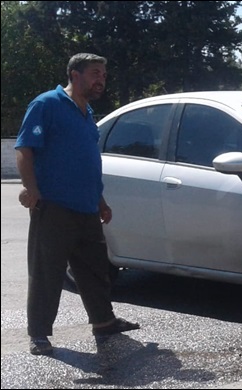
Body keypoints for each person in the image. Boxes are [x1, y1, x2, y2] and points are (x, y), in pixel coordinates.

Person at [15, 53, 140, 356]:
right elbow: (25, 149)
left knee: (95, 270)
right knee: (48, 273)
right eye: (95, 73)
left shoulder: (87, 113)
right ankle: (39, 334)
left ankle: (103, 322)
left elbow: (86, 162)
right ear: (75, 75)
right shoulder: (47, 104)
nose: (101, 80)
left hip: (86, 207)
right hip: (54, 206)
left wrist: (100, 201)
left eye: (104, 75)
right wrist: (31, 189)